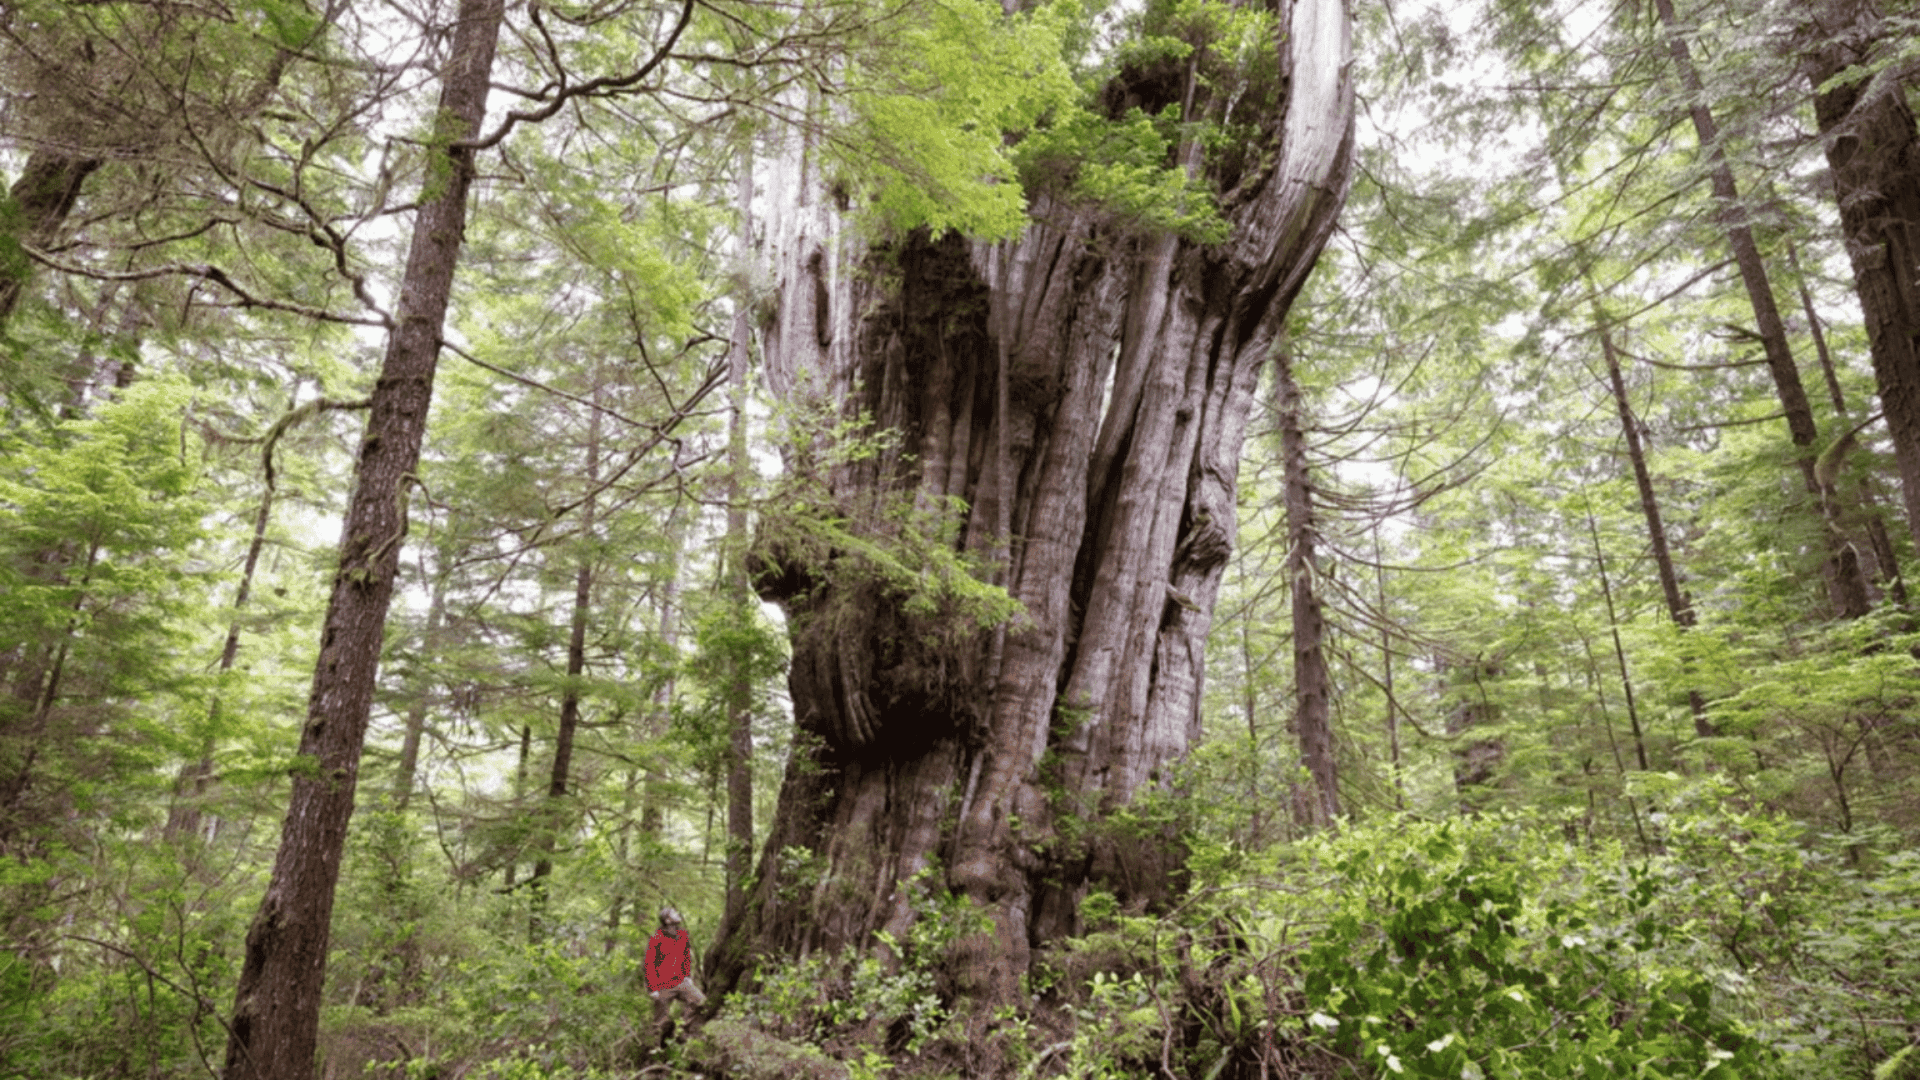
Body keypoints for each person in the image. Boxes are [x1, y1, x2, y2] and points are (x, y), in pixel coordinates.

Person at [644, 905, 706, 1049]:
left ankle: (681, 1031)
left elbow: (686, 957)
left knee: (700, 1002)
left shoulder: (683, 935)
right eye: (673, 913)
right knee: (660, 1022)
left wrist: (687, 976)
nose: (678, 914)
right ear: (667, 920)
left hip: (681, 981)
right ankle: (657, 1053)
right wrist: (652, 989)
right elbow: (649, 964)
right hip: (662, 985)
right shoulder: (656, 938)